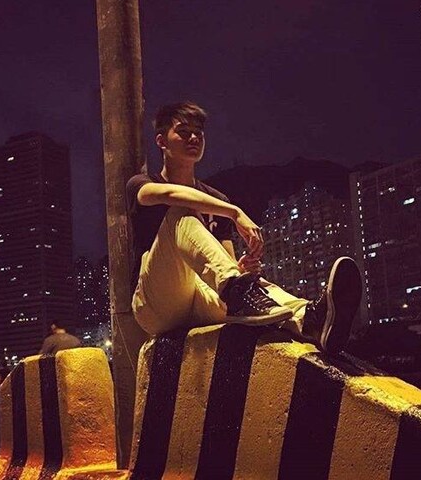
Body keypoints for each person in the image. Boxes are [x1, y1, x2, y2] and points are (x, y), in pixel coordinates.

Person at [127, 101, 362, 354]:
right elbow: (169, 194)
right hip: (159, 304)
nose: (193, 137)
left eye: (199, 133)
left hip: (204, 298)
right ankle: (239, 293)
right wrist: (234, 212)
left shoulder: (217, 199)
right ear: (162, 141)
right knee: (181, 213)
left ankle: (310, 319)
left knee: (248, 286)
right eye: (183, 132)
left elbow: (226, 263)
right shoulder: (143, 184)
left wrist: (241, 268)